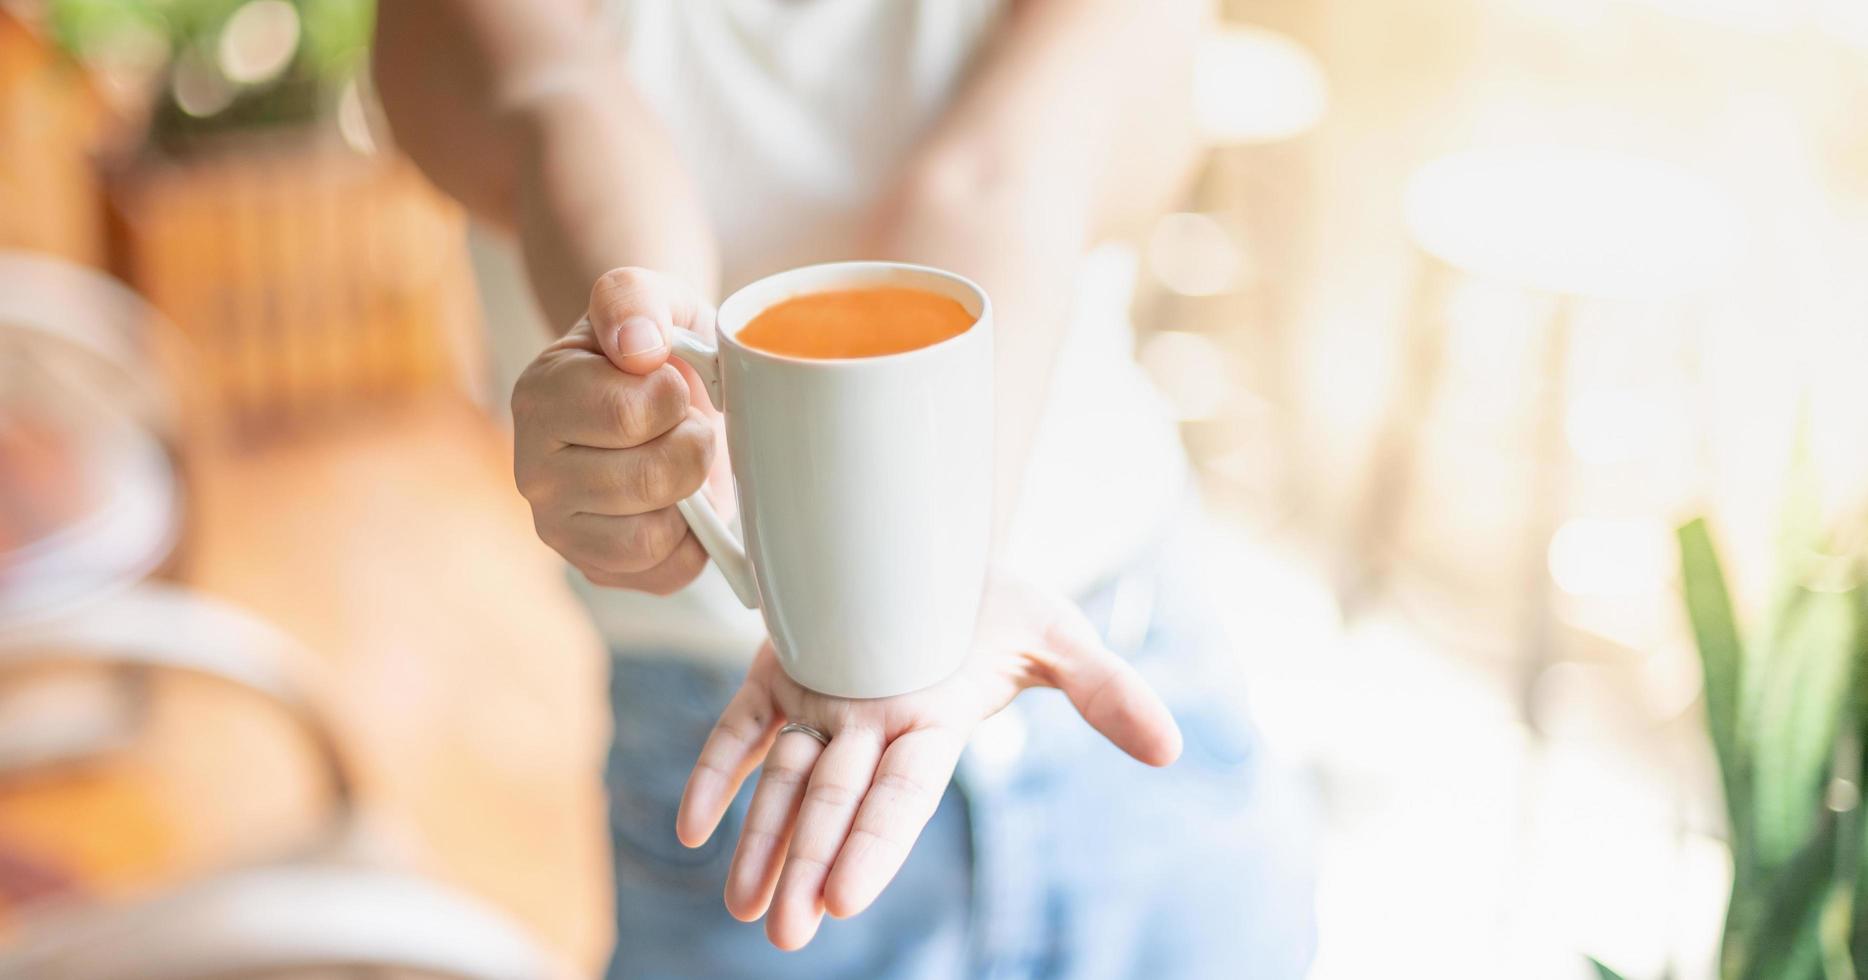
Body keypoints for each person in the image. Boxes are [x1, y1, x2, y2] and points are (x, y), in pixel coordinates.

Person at [374, 1, 1316, 976]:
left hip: (1122, 687)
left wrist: (923, 606)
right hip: (746, 768)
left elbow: (1008, 167)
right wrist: (641, 367)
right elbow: (560, 109)